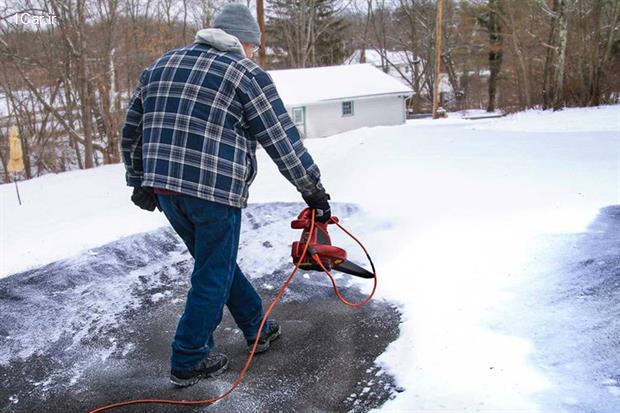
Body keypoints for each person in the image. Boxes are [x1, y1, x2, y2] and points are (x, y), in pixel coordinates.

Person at [121, 3, 331, 388]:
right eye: (255, 47)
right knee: (212, 272)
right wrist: (312, 189)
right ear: (244, 42)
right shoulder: (245, 73)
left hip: (165, 188)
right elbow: (281, 139)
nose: (255, 54)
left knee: (214, 263)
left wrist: (138, 179)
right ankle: (188, 356)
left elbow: (132, 126)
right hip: (213, 192)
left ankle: (258, 327)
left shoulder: (162, 65)